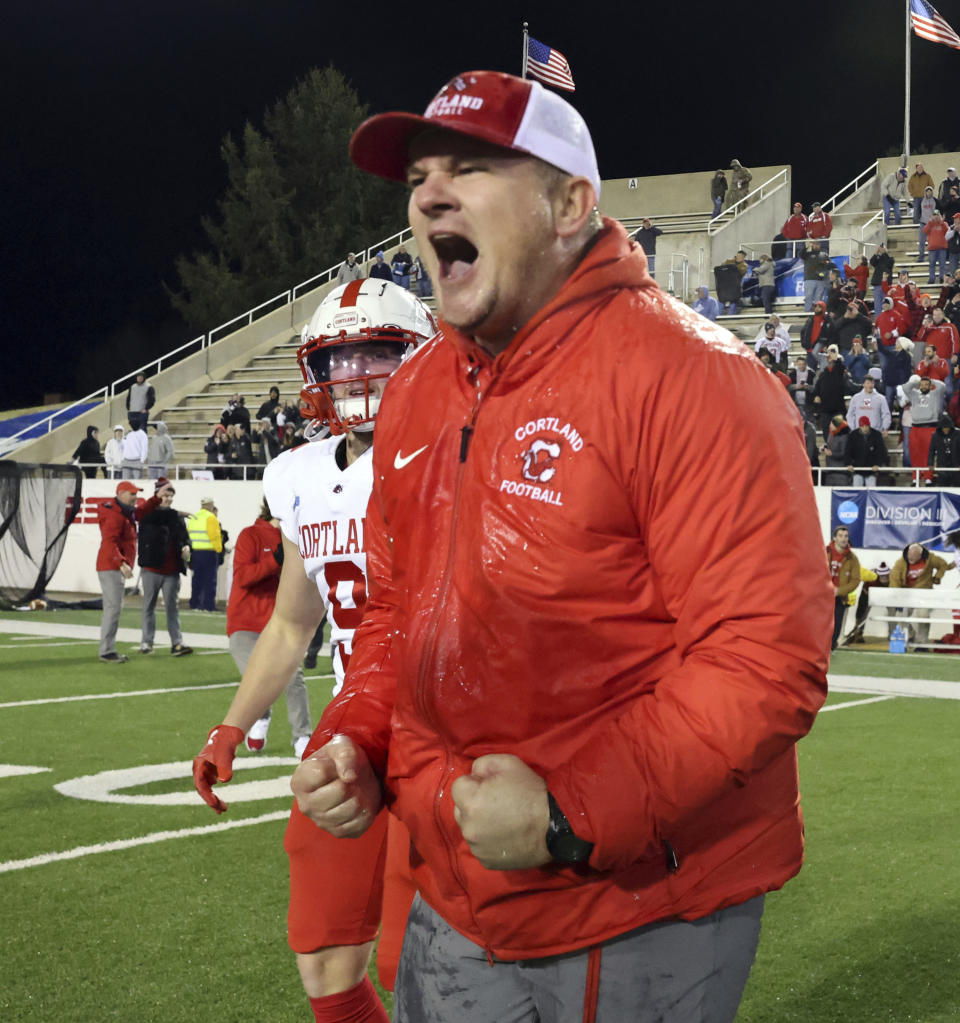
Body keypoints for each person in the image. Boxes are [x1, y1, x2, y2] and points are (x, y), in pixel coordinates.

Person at [291, 69, 831, 1023]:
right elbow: (393, 611)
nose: (428, 195)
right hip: (452, 898)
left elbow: (763, 660)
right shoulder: (419, 389)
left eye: (471, 168)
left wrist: (567, 811)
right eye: (420, 175)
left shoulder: (697, 381)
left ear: (571, 204)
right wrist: (358, 738)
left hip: (634, 911)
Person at [193, 279, 437, 1023]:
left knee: (422, 961)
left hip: (443, 716)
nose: (358, 373)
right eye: (341, 356)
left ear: (419, 359)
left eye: (378, 352)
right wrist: (232, 724)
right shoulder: (297, 475)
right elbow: (294, 625)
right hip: (354, 718)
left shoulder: (448, 453)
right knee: (326, 955)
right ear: (315, 372)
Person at [224, 498, 311, 758]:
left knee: (294, 677)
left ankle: (303, 736)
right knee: (255, 677)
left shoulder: (299, 540)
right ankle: (261, 716)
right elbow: (243, 577)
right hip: (246, 623)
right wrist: (275, 560)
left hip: (281, 624)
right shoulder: (251, 535)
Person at [96, 480, 159, 663]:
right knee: (113, 608)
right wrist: (121, 563)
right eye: (132, 494)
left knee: (113, 608)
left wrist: (156, 499)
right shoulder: (115, 515)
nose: (135, 497)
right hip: (111, 566)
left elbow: (141, 512)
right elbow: (109, 542)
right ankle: (107, 651)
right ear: (121, 493)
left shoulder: (123, 512)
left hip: (112, 565)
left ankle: (107, 648)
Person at [137, 478, 193, 656]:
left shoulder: (176, 517)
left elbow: (184, 537)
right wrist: (178, 513)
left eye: (170, 495)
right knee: (148, 606)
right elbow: (150, 515)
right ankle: (146, 642)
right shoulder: (148, 513)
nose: (168, 499)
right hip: (151, 569)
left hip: (172, 570)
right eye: (165, 495)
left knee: (172, 608)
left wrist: (186, 547)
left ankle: (177, 643)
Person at [889, 542, 950, 648]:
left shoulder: (930, 559)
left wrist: (937, 577)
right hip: (906, 593)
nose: (910, 559)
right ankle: (911, 634)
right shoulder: (901, 562)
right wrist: (897, 598)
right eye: (909, 556)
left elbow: (943, 564)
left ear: (920, 555)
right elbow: (894, 579)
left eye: (913, 557)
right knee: (900, 616)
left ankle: (922, 643)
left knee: (924, 616)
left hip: (924, 592)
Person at [826, 525, 860, 649]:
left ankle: (830, 650)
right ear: (834, 538)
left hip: (839, 598)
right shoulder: (823, 552)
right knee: (817, 626)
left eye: (846, 536)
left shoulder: (852, 558)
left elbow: (855, 580)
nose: (843, 539)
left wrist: (838, 591)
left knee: (835, 628)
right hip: (820, 597)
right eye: (840, 536)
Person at [187, 497, 222, 611]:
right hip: (209, 552)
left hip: (195, 553)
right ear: (210, 505)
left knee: (197, 579)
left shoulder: (194, 517)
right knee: (209, 581)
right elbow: (214, 536)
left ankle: (194, 604)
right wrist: (218, 550)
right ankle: (208, 605)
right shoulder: (210, 517)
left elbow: (188, 534)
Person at [846, 416, 888, 487]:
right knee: (857, 491)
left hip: (871, 470)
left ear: (869, 425)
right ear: (860, 426)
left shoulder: (877, 435)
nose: (864, 428)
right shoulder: (853, 435)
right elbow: (848, 451)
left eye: (866, 426)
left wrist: (878, 464)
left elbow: (881, 451)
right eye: (862, 426)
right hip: (857, 469)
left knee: (871, 490)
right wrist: (848, 463)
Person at [928, 413, 960, 486]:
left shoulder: (958, 434)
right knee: (943, 485)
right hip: (942, 465)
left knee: (957, 487)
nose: (945, 430)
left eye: (947, 428)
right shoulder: (935, 435)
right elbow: (931, 450)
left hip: (956, 465)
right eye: (944, 428)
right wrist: (930, 463)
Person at [802, 241, 832, 312]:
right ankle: (808, 312)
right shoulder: (807, 254)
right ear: (812, 245)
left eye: (818, 244)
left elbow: (828, 263)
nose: (816, 245)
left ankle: (817, 313)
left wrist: (824, 262)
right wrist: (806, 247)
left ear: (820, 245)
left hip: (820, 280)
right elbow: (801, 254)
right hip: (809, 279)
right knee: (809, 296)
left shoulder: (824, 254)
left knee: (818, 298)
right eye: (814, 244)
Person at [922, 210, 949, 284]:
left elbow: (947, 231)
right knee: (932, 265)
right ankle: (931, 279)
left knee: (942, 265)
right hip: (932, 248)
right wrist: (930, 221)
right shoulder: (930, 224)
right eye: (934, 215)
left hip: (942, 248)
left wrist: (942, 222)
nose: (936, 216)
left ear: (940, 215)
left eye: (937, 215)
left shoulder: (944, 223)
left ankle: (942, 278)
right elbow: (924, 231)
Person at [870, 244, 895, 313]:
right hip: (877, 284)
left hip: (887, 285)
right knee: (877, 306)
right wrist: (876, 252)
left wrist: (884, 252)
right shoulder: (878, 258)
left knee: (886, 304)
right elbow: (872, 262)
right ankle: (879, 321)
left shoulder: (890, 258)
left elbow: (889, 263)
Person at [916, 186, 937, 259]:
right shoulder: (921, 201)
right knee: (921, 241)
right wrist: (919, 218)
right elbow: (918, 210)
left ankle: (932, 257)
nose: (929, 193)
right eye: (927, 191)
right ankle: (921, 256)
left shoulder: (935, 200)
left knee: (932, 242)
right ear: (925, 192)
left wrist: (935, 218)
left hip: (932, 224)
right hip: (923, 223)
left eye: (930, 191)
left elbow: (937, 210)